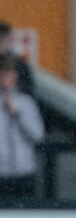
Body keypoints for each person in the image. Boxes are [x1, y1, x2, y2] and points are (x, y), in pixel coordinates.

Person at [0, 55, 44, 200]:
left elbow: (37, 134)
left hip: (23, 171)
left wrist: (18, 115)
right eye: (4, 73)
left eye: (11, 73)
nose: (7, 77)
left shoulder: (26, 102)